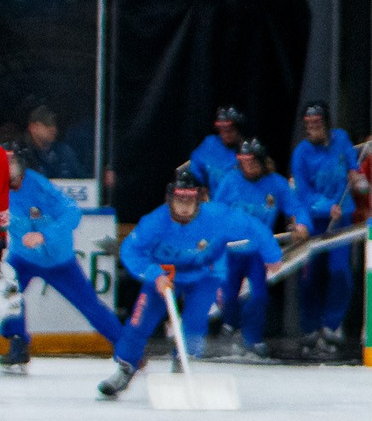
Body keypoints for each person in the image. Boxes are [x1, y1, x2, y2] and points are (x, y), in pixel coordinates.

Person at [97, 165, 281, 400]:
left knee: (194, 324)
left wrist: (272, 255)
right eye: (179, 200)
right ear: (169, 199)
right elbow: (131, 251)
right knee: (139, 322)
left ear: (199, 200)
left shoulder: (218, 217)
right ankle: (126, 367)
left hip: (205, 274)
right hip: (163, 275)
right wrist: (154, 275)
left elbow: (254, 227)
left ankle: (182, 363)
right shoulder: (154, 222)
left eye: (190, 200)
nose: (184, 207)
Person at [1, 141, 118, 367]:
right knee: (7, 293)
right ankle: (18, 344)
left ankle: (127, 347)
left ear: (21, 164)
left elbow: (72, 213)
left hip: (59, 261)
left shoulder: (40, 188)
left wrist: (44, 235)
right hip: (23, 258)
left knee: (89, 305)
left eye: (11, 163)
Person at [211, 137, 308, 359]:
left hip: (257, 252)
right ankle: (230, 327)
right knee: (228, 296)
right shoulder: (230, 181)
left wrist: (301, 224)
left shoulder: (276, 184)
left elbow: (296, 207)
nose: (249, 167)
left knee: (258, 296)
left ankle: (252, 338)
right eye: (244, 162)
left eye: (253, 162)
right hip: (231, 251)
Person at [290, 102, 359, 354]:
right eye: (308, 125)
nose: (313, 129)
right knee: (310, 274)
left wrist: (354, 173)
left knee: (339, 270)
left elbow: (352, 164)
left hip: (342, 217)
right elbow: (303, 191)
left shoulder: (341, 139)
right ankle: (310, 327)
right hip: (315, 218)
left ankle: (333, 324)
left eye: (317, 124)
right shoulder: (301, 153)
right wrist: (325, 206)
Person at [188, 104, 248, 190]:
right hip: (212, 197)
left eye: (231, 129)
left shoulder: (249, 152)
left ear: (239, 128)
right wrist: (199, 187)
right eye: (222, 129)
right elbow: (195, 166)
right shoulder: (210, 143)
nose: (227, 133)